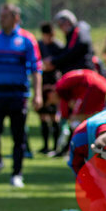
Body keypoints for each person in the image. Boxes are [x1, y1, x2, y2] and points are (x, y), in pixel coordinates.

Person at [0, 3, 42, 188]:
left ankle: (17, 174)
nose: (0, 19)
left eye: (4, 16)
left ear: (16, 18)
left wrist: (37, 94)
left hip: (18, 94)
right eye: (0, 15)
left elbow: (36, 69)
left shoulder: (27, 40)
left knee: (18, 136)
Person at [37, 22, 62, 154]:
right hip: (41, 82)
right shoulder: (39, 45)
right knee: (42, 115)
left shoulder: (58, 46)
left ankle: (55, 146)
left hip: (53, 83)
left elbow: (61, 62)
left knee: (54, 115)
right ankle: (45, 146)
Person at [48, 9, 96, 74]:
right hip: (76, 70)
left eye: (63, 23)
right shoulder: (71, 34)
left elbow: (75, 49)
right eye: (60, 25)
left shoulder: (78, 29)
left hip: (83, 71)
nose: (62, 27)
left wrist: (55, 60)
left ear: (70, 21)